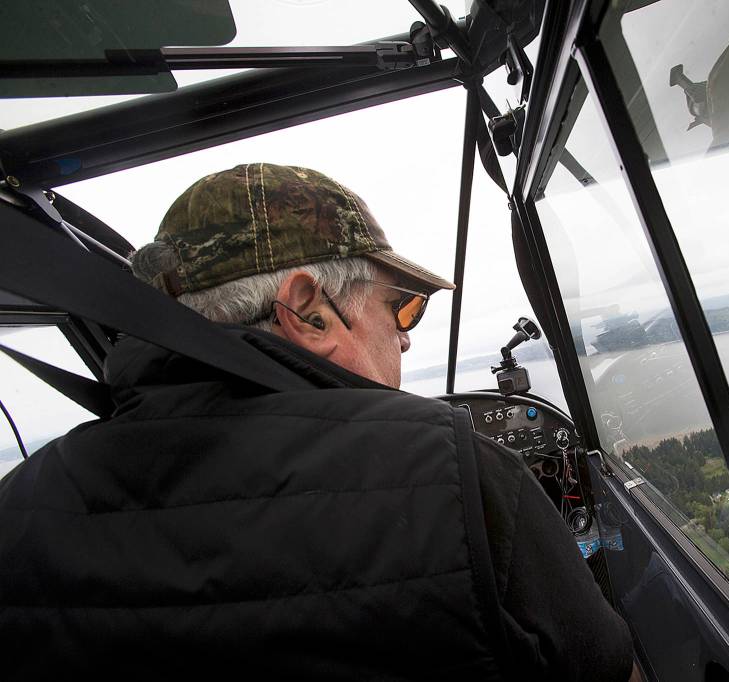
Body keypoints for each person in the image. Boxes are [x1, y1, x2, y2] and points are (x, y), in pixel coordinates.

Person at [0, 164, 634, 681]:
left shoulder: (20, 508)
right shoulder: (456, 471)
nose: (406, 339)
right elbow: (607, 670)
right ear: (308, 312)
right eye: (402, 307)